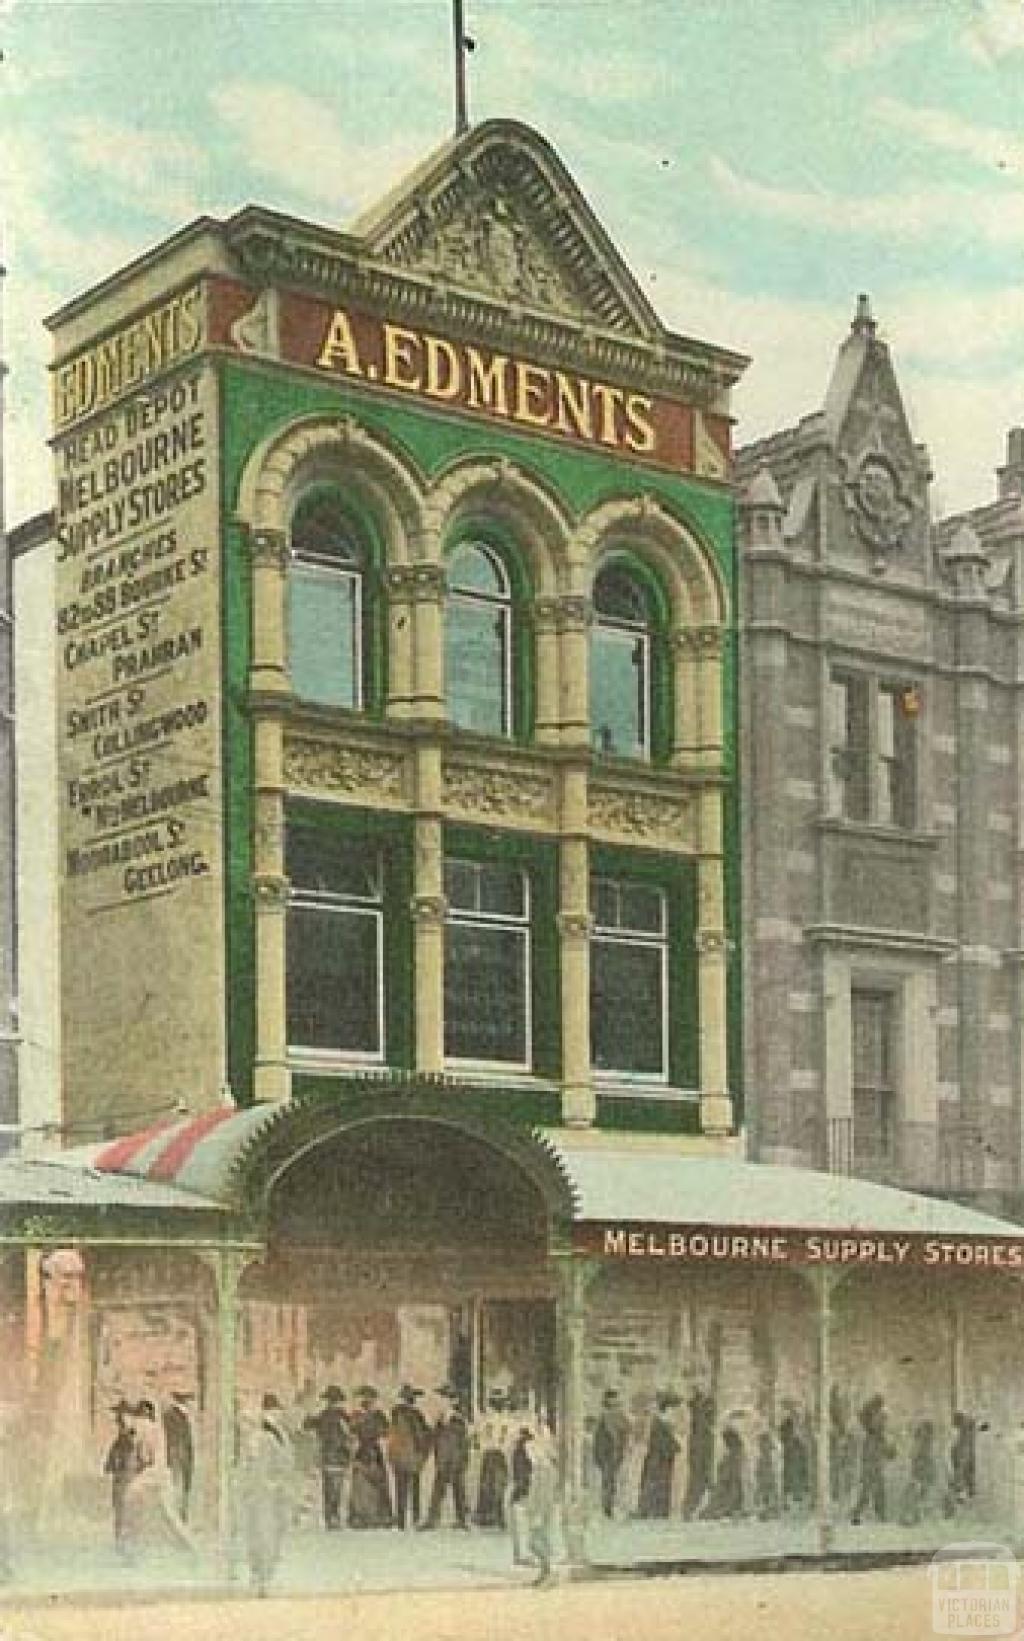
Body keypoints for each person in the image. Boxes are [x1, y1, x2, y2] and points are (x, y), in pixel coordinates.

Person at [239, 1393, 294, 1597]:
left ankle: (264, 1574)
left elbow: (284, 1464)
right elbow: (248, 1469)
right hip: (258, 1494)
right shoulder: (257, 1440)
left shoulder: (274, 1437)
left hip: (272, 1495)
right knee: (259, 1533)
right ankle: (260, 1574)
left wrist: (278, 1483)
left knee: (270, 1533)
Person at [421, 1385, 471, 1529]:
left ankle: (462, 1520)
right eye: (442, 1398)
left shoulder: (459, 1419)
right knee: (439, 1490)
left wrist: (463, 1459)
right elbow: (432, 1437)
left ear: (453, 1401)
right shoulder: (440, 1419)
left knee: (458, 1490)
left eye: (445, 1398)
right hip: (443, 1459)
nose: (442, 1401)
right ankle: (432, 1520)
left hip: (455, 1459)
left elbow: (464, 1442)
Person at [303, 1385, 351, 1530]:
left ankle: (330, 1518)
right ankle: (333, 1517)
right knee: (336, 1489)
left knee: (329, 1489)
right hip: (338, 1457)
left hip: (327, 1456)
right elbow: (348, 1435)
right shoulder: (343, 1417)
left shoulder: (323, 1415)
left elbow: (307, 1425)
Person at [348, 1386, 393, 1528]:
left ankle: (378, 1517)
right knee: (361, 1486)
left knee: (377, 1484)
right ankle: (362, 1517)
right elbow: (351, 1431)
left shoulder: (378, 1415)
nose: (367, 1401)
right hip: (364, 1451)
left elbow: (386, 1432)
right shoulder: (357, 1415)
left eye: (370, 1399)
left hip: (373, 1450)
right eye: (365, 1399)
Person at [388, 1384, 431, 1529]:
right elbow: (421, 1435)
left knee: (400, 1488)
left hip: (398, 1455)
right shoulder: (415, 1415)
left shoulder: (395, 1413)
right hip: (412, 1455)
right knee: (414, 1488)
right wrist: (425, 1449)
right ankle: (415, 1518)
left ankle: (401, 1521)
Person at [103, 1399, 141, 1557]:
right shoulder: (123, 1436)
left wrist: (115, 1465)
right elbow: (113, 1457)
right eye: (118, 1415)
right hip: (121, 1477)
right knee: (120, 1511)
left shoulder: (129, 1436)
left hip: (126, 1477)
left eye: (121, 1415)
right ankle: (121, 1545)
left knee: (125, 1511)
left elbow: (129, 1457)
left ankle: (125, 1546)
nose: (118, 1419)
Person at [851, 1394, 894, 1525]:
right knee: (875, 1488)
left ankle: (863, 1514)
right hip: (874, 1462)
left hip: (872, 1461)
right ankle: (877, 1515)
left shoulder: (870, 1436)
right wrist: (888, 1451)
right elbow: (882, 1441)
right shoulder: (874, 1433)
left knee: (870, 1489)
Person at [638, 1392, 681, 1519]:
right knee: (655, 1483)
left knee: (660, 1483)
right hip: (658, 1457)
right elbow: (660, 1441)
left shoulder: (662, 1421)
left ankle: (657, 1511)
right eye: (673, 1409)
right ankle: (651, 1511)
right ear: (667, 1408)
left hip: (662, 1457)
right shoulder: (660, 1421)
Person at [593, 1389, 631, 1521]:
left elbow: (627, 1428)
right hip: (608, 1454)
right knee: (609, 1482)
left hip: (615, 1454)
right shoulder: (605, 1416)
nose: (615, 1401)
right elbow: (599, 1439)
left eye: (615, 1399)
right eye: (612, 1399)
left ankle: (609, 1507)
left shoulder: (617, 1415)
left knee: (612, 1482)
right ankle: (607, 1508)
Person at [682, 1384, 716, 1519]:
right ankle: (689, 1509)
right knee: (698, 1482)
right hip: (700, 1454)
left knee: (698, 1482)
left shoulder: (702, 1426)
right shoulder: (701, 1424)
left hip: (701, 1453)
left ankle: (690, 1509)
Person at [162, 1391, 195, 1522]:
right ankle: (179, 1514)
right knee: (179, 1484)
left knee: (183, 1485)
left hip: (183, 1453)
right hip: (179, 1453)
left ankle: (182, 1513)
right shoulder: (173, 1415)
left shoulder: (182, 1416)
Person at [704, 1424, 745, 1520]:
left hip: (729, 1482)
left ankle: (722, 1511)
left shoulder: (735, 1454)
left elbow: (732, 1472)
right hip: (727, 1482)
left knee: (724, 1496)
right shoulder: (733, 1454)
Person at [474, 1419, 510, 1529]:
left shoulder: (507, 1421)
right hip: (489, 1454)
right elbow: (479, 1441)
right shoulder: (485, 1421)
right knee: (486, 1486)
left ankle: (498, 1516)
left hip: (499, 1455)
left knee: (498, 1487)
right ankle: (486, 1516)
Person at [901, 1419, 937, 1526]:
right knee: (917, 1496)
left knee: (915, 1495)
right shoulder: (926, 1443)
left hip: (921, 1472)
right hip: (921, 1472)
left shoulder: (923, 1443)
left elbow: (914, 1455)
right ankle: (915, 1518)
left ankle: (914, 1518)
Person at [509, 1425, 534, 1566]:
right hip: (522, 1492)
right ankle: (522, 1555)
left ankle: (521, 1555)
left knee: (521, 1525)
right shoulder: (522, 1452)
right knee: (522, 1524)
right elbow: (522, 1473)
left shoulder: (519, 1451)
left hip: (521, 1491)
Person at [780, 1400, 811, 1512]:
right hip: (791, 1454)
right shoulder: (786, 1424)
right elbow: (783, 1438)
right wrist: (791, 1440)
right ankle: (790, 1502)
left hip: (800, 1454)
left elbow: (806, 1438)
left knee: (801, 1476)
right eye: (793, 1411)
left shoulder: (804, 1424)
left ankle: (800, 1500)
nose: (795, 1413)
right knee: (790, 1477)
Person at [946, 1411, 977, 1515]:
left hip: (963, 1458)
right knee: (963, 1475)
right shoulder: (966, 1435)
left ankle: (962, 1495)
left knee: (962, 1475)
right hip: (964, 1457)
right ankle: (963, 1494)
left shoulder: (965, 1435)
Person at [753, 1429, 779, 1521]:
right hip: (764, 1477)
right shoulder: (762, 1457)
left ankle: (770, 1510)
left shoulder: (769, 1457)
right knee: (765, 1493)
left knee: (768, 1492)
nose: (761, 1446)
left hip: (767, 1476)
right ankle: (765, 1510)